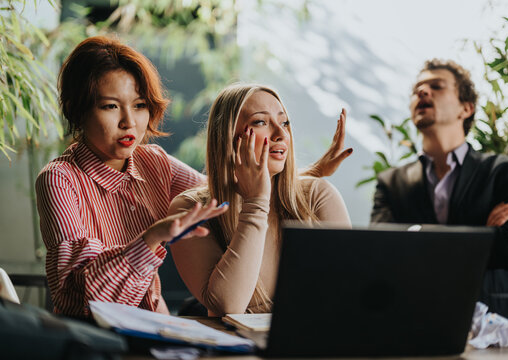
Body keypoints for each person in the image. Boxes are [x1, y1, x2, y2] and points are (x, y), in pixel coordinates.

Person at [35, 37, 351, 318]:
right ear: (78, 110)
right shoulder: (59, 180)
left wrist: (303, 173)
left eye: (140, 105)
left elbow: (224, 194)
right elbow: (82, 300)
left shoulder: (153, 162)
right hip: (90, 336)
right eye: (110, 106)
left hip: (154, 325)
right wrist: (152, 239)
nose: (129, 122)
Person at [371, 59, 508, 335]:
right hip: (417, 328)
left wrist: (419, 240)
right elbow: (386, 253)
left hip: (499, 332)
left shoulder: (505, 171)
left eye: (436, 86)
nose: (422, 92)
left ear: (466, 108)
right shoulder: (391, 182)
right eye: (417, 89)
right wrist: (482, 233)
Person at [168, 84, 352, 316]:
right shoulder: (190, 210)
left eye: (284, 122)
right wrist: (255, 203)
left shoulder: (317, 196)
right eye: (260, 122)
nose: (281, 134)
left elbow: (349, 293)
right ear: (228, 138)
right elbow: (227, 307)